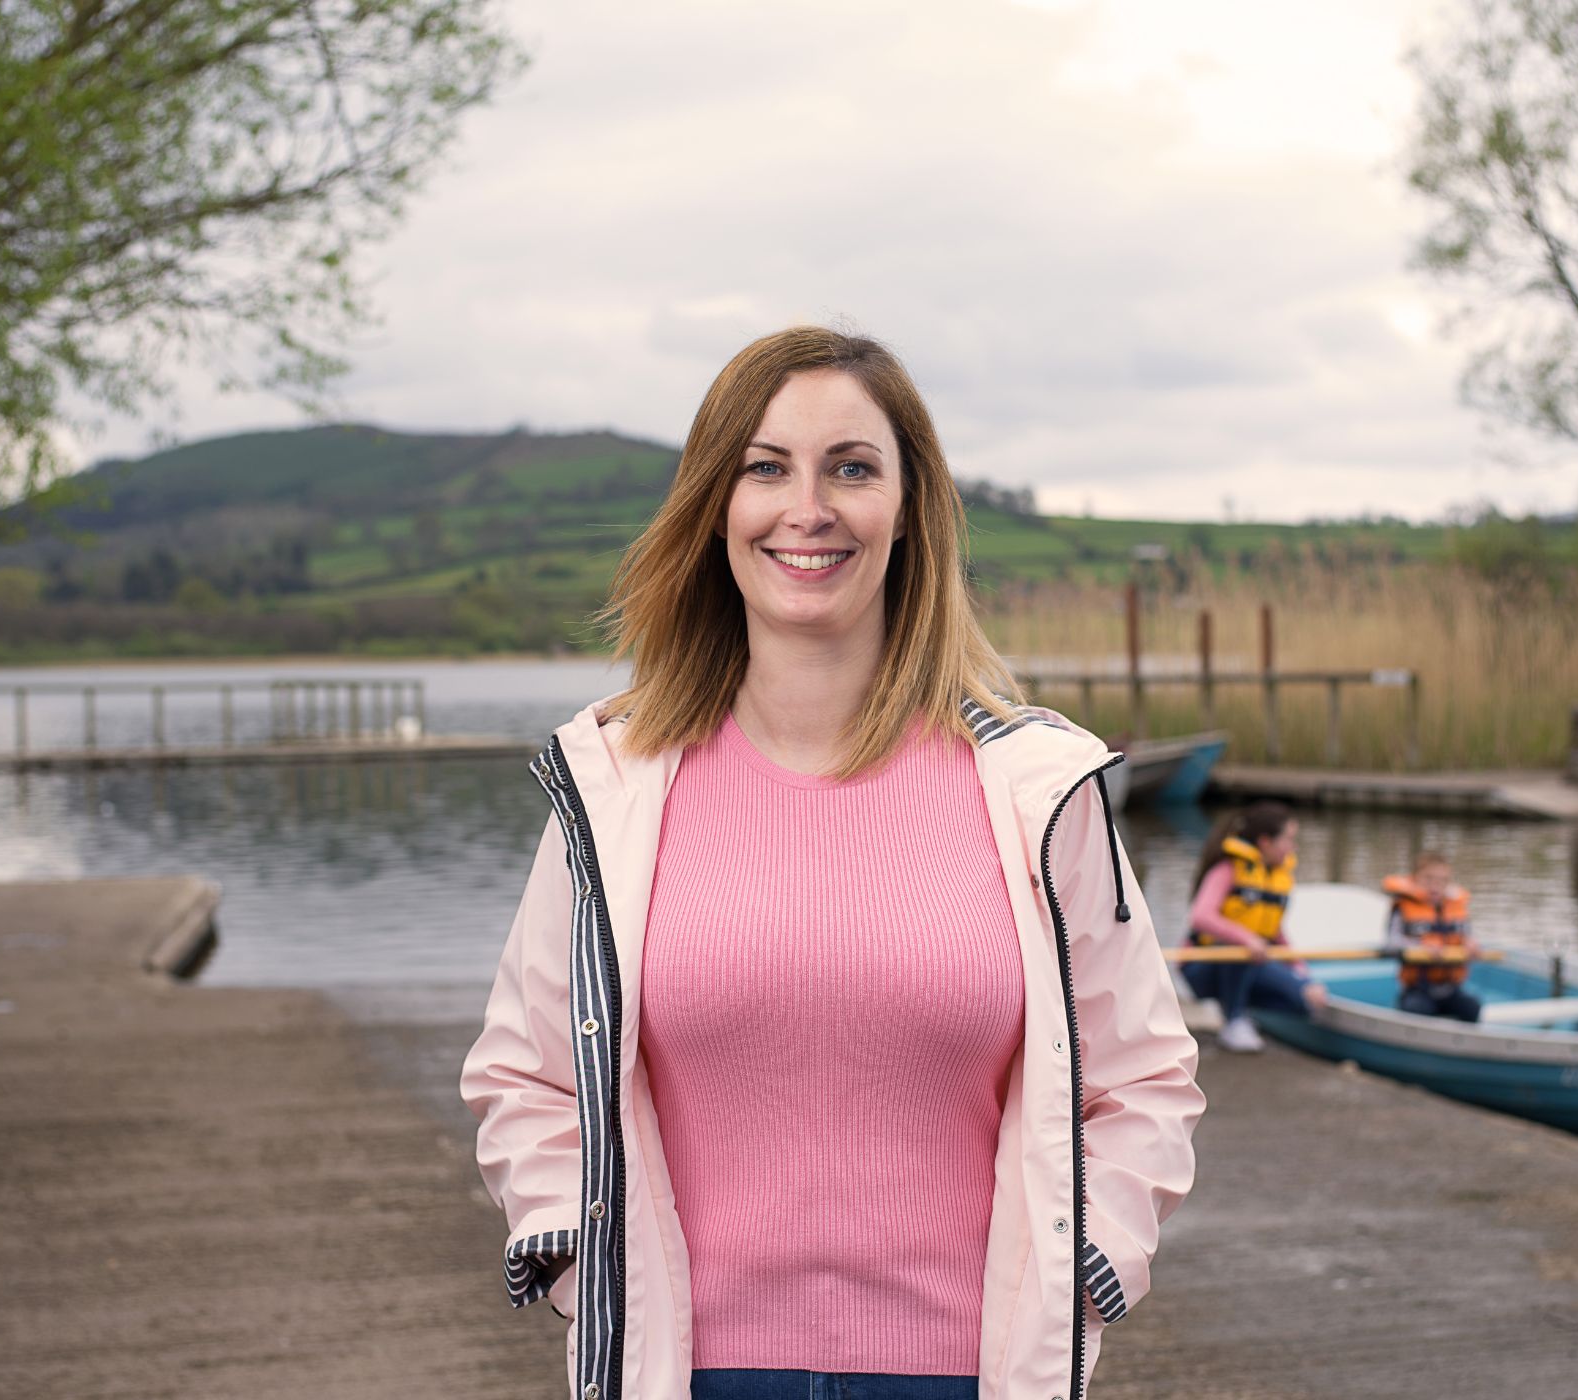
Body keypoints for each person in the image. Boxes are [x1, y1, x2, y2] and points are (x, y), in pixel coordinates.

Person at [459, 326, 1205, 1400]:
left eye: (850, 467)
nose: (806, 507)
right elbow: (524, 1072)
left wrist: (1086, 1268)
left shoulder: (1038, 789)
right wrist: (584, 1258)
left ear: (908, 510)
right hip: (688, 1372)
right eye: (765, 467)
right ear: (717, 504)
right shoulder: (614, 787)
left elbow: (1141, 1076)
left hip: (967, 1375)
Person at [1178, 802, 1328, 1054]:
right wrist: (1246, 938)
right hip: (1203, 965)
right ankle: (1233, 1020)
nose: (1294, 847)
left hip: (1248, 963)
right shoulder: (1228, 869)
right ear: (1266, 842)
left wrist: (1300, 971)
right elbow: (1201, 917)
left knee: (1304, 1001)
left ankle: (1242, 1009)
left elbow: (1275, 932)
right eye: (1289, 839)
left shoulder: (1275, 876)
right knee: (1239, 948)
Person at [1382, 852, 1482, 1023]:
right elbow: (1392, 943)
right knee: (1418, 1009)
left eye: (1442, 881)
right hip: (1417, 989)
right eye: (1428, 879)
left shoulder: (1455, 908)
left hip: (1451, 989)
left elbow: (1467, 936)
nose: (1435, 886)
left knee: (1472, 1008)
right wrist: (1420, 947)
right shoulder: (1402, 908)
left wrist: (1471, 944)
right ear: (1416, 879)